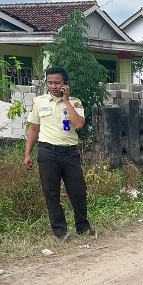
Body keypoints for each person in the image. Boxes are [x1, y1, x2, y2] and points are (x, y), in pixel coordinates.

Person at [23, 66, 95, 242]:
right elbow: (33, 129)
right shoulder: (39, 102)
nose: (53, 86)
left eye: (57, 83)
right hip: (48, 153)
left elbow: (79, 124)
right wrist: (27, 154)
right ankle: (60, 232)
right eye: (50, 83)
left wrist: (66, 101)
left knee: (78, 192)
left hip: (70, 153)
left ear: (65, 83)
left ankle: (83, 227)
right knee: (51, 193)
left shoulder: (75, 103)